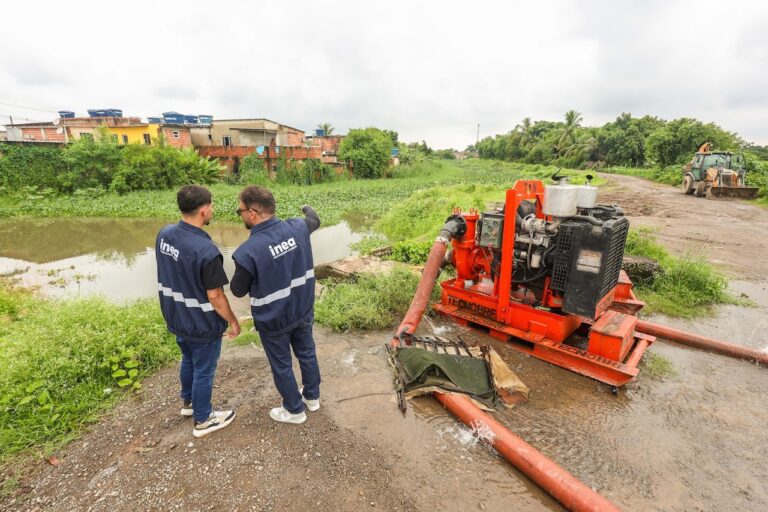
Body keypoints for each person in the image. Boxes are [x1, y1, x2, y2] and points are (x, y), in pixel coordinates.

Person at [230, 186, 321, 424]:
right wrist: (306, 207)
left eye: (239, 211)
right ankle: (312, 398)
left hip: (273, 320)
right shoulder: (298, 227)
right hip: (302, 310)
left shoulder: (248, 251)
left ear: (252, 213)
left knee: (282, 365)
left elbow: (237, 290)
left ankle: (294, 410)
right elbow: (314, 219)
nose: (239, 215)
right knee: (307, 353)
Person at [155, 185, 240, 438]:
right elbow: (215, 295)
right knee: (204, 368)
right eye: (211, 205)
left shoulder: (165, 234)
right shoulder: (206, 251)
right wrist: (233, 321)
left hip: (175, 315)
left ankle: (189, 403)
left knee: (188, 359)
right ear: (204, 211)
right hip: (201, 322)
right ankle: (203, 419)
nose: (212, 209)